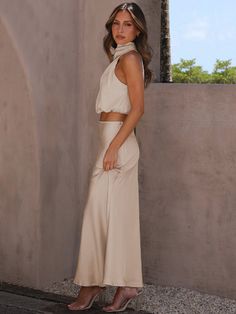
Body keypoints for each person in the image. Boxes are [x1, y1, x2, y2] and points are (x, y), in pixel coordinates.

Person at [68, 2, 152, 312]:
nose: (119, 29)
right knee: (109, 217)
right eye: (116, 23)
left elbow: (138, 108)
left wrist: (114, 146)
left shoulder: (130, 58)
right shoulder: (120, 57)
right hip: (112, 139)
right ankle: (123, 285)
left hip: (118, 142)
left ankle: (95, 285)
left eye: (127, 24)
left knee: (103, 216)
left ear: (138, 29)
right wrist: (112, 144)